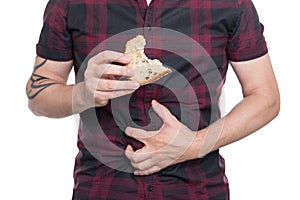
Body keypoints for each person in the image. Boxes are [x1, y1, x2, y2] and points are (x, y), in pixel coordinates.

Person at [26, 0, 280, 199]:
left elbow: (265, 96)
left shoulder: (230, 3)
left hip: (197, 189)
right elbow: (39, 95)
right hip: (102, 189)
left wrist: (194, 144)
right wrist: (83, 93)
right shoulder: (71, 3)